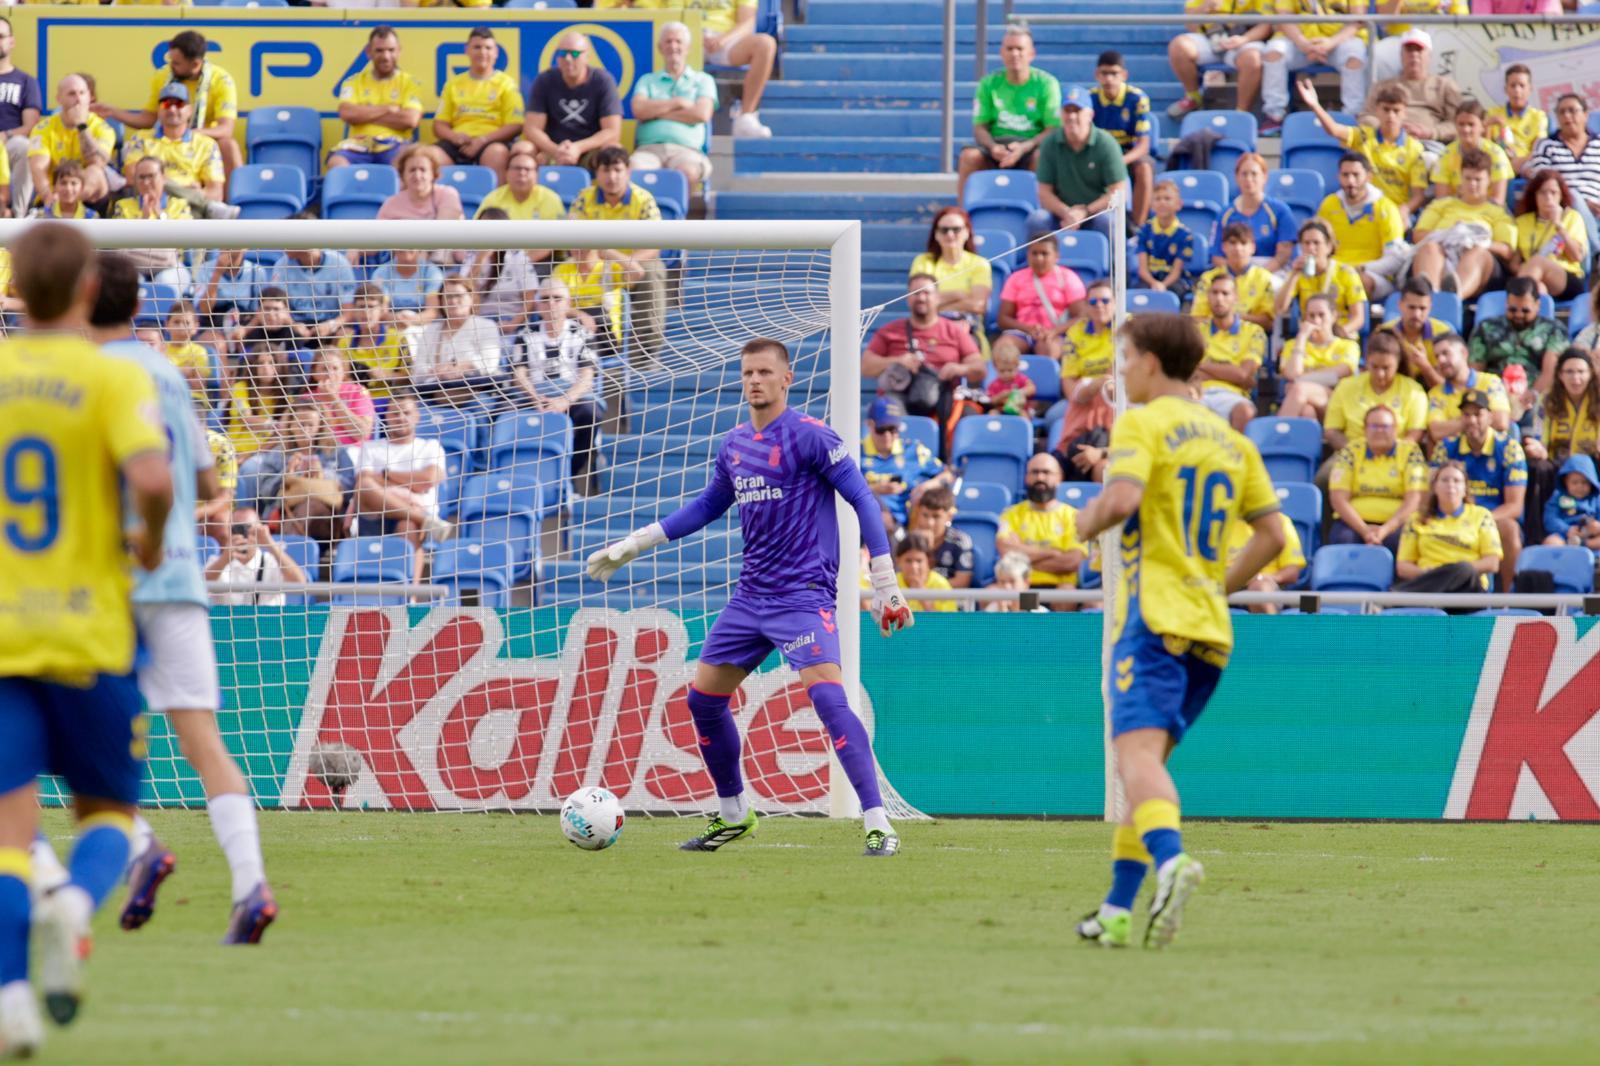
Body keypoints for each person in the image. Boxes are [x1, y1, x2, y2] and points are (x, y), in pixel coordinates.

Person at [585, 338, 913, 857]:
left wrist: (886, 583)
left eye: (764, 372)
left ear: (787, 379)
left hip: (802, 595)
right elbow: (706, 506)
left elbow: (863, 500)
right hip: (751, 597)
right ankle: (734, 814)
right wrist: (635, 543)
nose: (754, 380)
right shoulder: (734, 444)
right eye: (747, 373)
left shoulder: (811, 437)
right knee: (703, 699)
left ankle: (877, 822)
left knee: (828, 698)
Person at [0, 223, 174, 1052]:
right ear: (82, 293)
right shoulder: (107, 378)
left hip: (1, 639)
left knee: (6, 835)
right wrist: (148, 537)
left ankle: (9, 1002)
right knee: (108, 812)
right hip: (91, 637)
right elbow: (152, 475)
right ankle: (74, 905)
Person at [1072, 312, 1283, 949]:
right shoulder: (1232, 442)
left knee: (1134, 761)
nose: (1121, 369)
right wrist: (1218, 585)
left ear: (1153, 363)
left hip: (1152, 619)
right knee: (1147, 774)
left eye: (1125, 356)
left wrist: (1081, 524)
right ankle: (1115, 910)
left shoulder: (1142, 422)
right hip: (1211, 631)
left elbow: (1123, 500)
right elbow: (1274, 536)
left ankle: (1172, 864)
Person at [84, 250, 276, 946]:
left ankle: (139, 847)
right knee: (203, 743)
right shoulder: (168, 371)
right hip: (183, 581)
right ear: (137, 307)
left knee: (60, 731)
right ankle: (250, 883)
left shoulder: (87, 377)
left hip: (111, 579)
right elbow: (206, 477)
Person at [92, 29, 242, 175]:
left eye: (177, 63)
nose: (171, 65)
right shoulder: (163, 76)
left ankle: (233, 200)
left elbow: (225, 129)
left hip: (202, 139)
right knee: (140, 142)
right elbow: (149, 119)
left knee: (228, 145)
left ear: (195, 64)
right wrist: (113, 112)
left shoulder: (222, 80)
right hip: (165, 136)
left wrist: (189, 135)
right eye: (171, 60)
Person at [568, 146, 667, 363]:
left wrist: (626, 262)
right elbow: (573, 236)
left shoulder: (643, 199)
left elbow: (654, 245)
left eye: (617, 170)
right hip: (593, 261)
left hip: (632, 263)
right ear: (597, 173)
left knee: (652, 273)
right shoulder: (584, 198)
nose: (612, 177)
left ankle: (646, 355)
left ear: (628, 172)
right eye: (605, 170)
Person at [508, 278, 603, 485]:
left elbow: (587, 376)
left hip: (571, 396)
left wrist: (565, 400)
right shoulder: (525, 334)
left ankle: (569, 475)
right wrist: (535, 398)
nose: (550, 303)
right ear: (538, 304)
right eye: (545, 299)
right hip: (533, 397)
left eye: (557, 298)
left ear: (568, 304)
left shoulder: (582, 333)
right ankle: (518, 477)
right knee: (502, 413)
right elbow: (519, 374)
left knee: (590, 413)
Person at [864, 273, 983, 435]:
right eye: (915, 293)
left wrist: (957, 368)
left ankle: (948, 459)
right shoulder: (890, 331)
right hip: (901, 397)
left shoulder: (954, 331)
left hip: (942, 397)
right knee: (888, 410)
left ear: (938, 297)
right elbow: (865, 367)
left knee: (969, 415)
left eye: (926, 292)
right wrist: (897, 361)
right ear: (908, 298)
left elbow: (979, 368)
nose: (921, 297)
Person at [1432, 388, 1527, 589]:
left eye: (1478, 414)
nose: (1472, 420)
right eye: (1466, 414)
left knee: (1510, 529)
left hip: (1493, 518)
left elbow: (1514, 506)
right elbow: (1431, 494)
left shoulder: (1509, 448)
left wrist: (1478, 522)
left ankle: (1508, 601)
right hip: (1451, 516)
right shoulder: (1446, 447)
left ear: (1491, 417)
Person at [1300, 81, 1427, 221]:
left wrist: (1405, 209)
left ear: (1405, 113)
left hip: (1395, 212)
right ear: (1377, 110)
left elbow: (1418, 195)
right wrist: (1315, 105)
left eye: (1396, 110)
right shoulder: (1363, 136)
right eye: (1386, 109)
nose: (1391, 116)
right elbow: (1334, 130)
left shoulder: (1415, 148)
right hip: (1362, 208)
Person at [957, 25, 1060, 198]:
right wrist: (993, 147)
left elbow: (1053, 129)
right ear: (1001, 53)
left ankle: (1042, 215)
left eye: (1020, 49)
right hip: (996, 145)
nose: (1014, 54)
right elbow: (979, 127)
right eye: (1009, 48)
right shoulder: (988, 83)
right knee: (969, 157)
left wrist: (1024, 147)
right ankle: (965, 217)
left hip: (1030, 145)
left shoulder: (1046, 84)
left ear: (1031, 54)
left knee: (1042, 158)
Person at [353, 397, 454, 561]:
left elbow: (428, 480)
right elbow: (363, 482)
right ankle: (426, 521)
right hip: (375, 513)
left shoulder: (431, 446)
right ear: (386, 417)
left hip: (417, 508)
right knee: (365, 485)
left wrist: (386, 475)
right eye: (394, 413)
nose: (400, 417)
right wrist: (410, 486)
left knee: (407, 525)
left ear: (417, 416)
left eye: (406, 412)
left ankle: (410, 586)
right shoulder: (370, 448)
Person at [119, 82, 236, 221]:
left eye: (179, 104)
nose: (172, 109)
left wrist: (162, 184)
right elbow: (134, 178)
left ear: (190, 110)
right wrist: (188, 190)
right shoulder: (140, 139)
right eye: (167, 104)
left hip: (190, 210)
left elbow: (216, 193)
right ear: (158, 109)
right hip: (148, 205)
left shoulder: (206, 144)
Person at [1409, 150, 1516, 302]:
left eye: (1478, 180)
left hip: (1480, 264)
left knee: (1478, 253)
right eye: (1468, 178)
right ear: (1461, 179)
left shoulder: (1499, 212)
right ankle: (1431, 296)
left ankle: (1452, 298)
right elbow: (1418, 235)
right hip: (1443, 253)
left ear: (1489, 181)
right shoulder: (1440, 205)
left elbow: (1507, 250)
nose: (1472, 184)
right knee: (1430, 248)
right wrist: (1451, 235)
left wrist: (1475, 242)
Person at [1522, 349, 1600, 543]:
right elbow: (1537, 434)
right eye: (1570, 372)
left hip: (1592, 463)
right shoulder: (1548, 400)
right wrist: (1537, 447)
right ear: (1560, 375)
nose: (1576, 378)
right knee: (1537, 468)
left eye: (1581, 372)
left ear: (1591, 374)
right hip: (1557, 463)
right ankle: (1538, 535)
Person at [1260, 0, 1370, 136]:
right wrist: (1303, 44)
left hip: (1340, 41)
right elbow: (1284, 17)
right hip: (1300, 42)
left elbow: (1358, 20)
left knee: (1355, 56)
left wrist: (1330, 43)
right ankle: (1274, 116)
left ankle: (1352, 117)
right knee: (1274, 51)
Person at [1328, 404, 1428, 552]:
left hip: (1396, 523)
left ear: (1395, 429)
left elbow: (1415, 499)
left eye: (1385, 426)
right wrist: (1365, 531)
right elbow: (1338, 498)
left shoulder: (1410, 451)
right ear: (1365, 429)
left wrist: (1385, 530)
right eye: (1374, 426)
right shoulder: (1351, 451)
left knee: (1401, 542)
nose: (1380, 431)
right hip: (1355, 523)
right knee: (1344, 539)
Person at [1035, 85, 1129, 236]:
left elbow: (1118, 191)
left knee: (1107, 221)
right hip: (1061, 213)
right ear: (1060, 114)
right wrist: (1067, 213)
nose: (1072, 116)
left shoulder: (1106, 143)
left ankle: (1110, 260)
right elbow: (1044, 192)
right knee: (1037, 220)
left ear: (1090, 114)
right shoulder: (1050, 143)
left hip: (1097, 212)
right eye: (1067, 111)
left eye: (1077, 110)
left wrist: (1086, 212)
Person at [630, 22, 716, 186]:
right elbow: (639, 110)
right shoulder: (647, 80)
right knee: (632, 170)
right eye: (668, 41)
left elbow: (701, 114)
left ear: (688, 47)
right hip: (649, 150)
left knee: (687, 173)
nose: (673, 46)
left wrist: (655, 113)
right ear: (660, 47)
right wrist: (679, 102)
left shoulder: (704, 80)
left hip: (687, 150)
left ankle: (679, 212)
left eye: (678, 41)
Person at [1394, 461, 1502, 592]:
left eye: (1456, 481)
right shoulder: (1416, 519)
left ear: (1465, 489)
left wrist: (1454, 572)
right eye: (1445, 480)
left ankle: (1396, 597)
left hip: (1467, 588)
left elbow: (1492, 563)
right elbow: (1403, 567)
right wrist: (1432, 574)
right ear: (1434, 487)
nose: (1451, 485)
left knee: (1463, 568)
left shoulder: (1482, 515)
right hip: (1428, 584)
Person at [522, 30, 622, 168]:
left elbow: (612, 131)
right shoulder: (545, 80)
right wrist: (555, 150)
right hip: (553, 149)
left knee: (612, 150)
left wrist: (578, 148)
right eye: (563, 53)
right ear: (557, 58)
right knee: (523, 149)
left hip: (590, 150)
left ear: (586, 56)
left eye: (574, 54)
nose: (568, 59)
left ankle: (606, 190)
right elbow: (532, 128)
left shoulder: (603, 80)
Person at [1316, 151, 1409, 299]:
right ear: (1338, 177)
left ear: (1369, 177)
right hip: (1334, 270)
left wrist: (1359, 268)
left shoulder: (1386, 208)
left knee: (1357, 282)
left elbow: (1395, 259)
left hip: (1372, 273)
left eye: (1356, 175)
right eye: (1345, 175)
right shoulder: (1329, 205)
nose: (1350, 181)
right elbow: (1318, 245)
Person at [432, 26, 522, 181]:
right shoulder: (453, 84)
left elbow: (515, 125)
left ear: (496, 53)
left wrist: (482, 140)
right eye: (477, 47)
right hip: (458, 143)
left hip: (491, 141)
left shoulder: (506, 84)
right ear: (467, 50)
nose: (483, 52)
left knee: (497, 154)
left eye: (488, 48)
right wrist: (455, 137)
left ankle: (495, 203)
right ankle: (443, 201)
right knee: (430, 156)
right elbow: (439, 124)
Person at [329, 25, 423, 169]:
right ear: (368, 52)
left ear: (399, 51)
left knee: (403, 165)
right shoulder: (353, 81)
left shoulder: (410, 83)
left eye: (391, 50)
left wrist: (365, 112)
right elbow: (346, 113)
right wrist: (389, 109)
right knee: (336, 163)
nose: (386, 56)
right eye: (379, 50)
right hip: (359, 144)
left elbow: (410, 120)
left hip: (395, 144)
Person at [997, 454, 1086, 602]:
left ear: (1059, 478)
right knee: (995, 593)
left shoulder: (1073, 517)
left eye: (1046, 472)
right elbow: (1005, 552)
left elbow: (1071, 562)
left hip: (1058, 587)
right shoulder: (1011, 514)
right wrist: (1052, 553)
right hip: (1022, 587)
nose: (1040, 478)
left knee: (1066, 594)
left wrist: (1022, 553)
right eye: (1035, 472)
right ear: (1026, 477)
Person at [1358, 29, 1462, 153]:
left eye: (1419, 50)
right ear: (1401, 55)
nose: (1414, 55)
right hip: (1387, 144)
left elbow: (1458, 123)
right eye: (1409, 50)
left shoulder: (1445, 86)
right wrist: (1392, 128)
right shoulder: (1383, 86)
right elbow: (1365, 117)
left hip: (1428, 145)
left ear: (1429, 56)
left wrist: (1431, 131)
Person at [1324, 329, 1429, 450]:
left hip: (1399, 458)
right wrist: (1355, 453)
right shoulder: (1346, 386)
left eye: (1386, 368)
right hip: (1352, 457)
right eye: (1374, 366)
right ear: (1367, 361)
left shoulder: (1414, 391)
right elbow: (1332, 430)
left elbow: (1415, 433)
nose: (1380, 374)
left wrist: (1393, 455)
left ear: (1398, 363)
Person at [1166, 0, 1269, 120]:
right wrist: (1206, 7)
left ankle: (1241, 114)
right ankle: (1193, 97)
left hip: (1245, 39)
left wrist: (1244, 39)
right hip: (1211, 38)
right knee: (1179, 46)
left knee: (1252, 59)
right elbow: (1190, 25)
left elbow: (1267, 24)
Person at [992, 238, 1087, 363]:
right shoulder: (1016, 278)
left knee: (1048, 351)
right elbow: (1003, 319)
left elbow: (1081, 317)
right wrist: (1028, 329)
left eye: (1044, 253)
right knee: (1002, 349)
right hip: (1022, 332)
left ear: (1056, 256)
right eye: (1034, 253)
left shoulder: (1068, 278)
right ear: (1028, 255)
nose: (1039, 258)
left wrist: (1054, 331)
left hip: (1056, 333)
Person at [1468, 276, 1565, 397]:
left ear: (1537, 305)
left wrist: (1532, 395)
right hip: (1493, 395)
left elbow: (1550, 373)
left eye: (1525, 310)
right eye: (1512, 310)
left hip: (1536, 395)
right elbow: (1476, 369)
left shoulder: (1554, 330)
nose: (1518, 315)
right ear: (1506, 304)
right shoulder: (1486, 327)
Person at [26, 74, 113, 209]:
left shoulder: (102, 127)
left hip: (89, 200)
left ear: (89, 97)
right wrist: (48, 196)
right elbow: (38, 167)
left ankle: (72, 204)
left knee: (95, 171)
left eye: (82, 93)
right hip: (53, 197)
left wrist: (81, 126)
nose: (78, 99)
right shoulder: (43, 128)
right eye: (72, 94)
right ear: (59, 98)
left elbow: (98, 162)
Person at [1527, 94, 1600, 254]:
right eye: (1562, 112)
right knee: (1573, 196)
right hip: (1565, 210)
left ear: (1586, 114)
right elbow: (1541, 181)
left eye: (1572, 111)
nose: (1567, 116)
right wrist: (1583, 204)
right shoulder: (1546, 146)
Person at [860, 397, 949, 526]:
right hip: (867, 520)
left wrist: (928, 485)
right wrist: (875, 489)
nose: (887, 436)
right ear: (869, 425)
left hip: (908, 522)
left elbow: (948, 474)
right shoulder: (855, 452)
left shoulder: (914, 450)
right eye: (881, 429)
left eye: (892, 430)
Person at [696, 0, 779, 138]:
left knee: (765, 44)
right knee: (668, 41)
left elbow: (747, 22)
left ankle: (746, 116)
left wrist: (722, 39)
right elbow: (668, 14)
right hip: (686, 37)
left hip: (726, 40)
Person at [1089, 52, 1154, 226]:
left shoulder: (1137, 98)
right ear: (1097, 75)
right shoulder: (1090, 99)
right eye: (1104, 73)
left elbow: (1143, 144)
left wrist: (1119, 160)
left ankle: (1138, 227)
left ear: (1124, 75)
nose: (1109, 79)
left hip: (1127, 152)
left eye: (1114, 73)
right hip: (1099, 153)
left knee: (1145, 168)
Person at [1275, 218, 1367, 340]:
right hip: (1310, 336)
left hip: (1339, 337)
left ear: (1329, 246)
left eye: (1316, 243)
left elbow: (1358, 318)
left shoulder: (1346, 273)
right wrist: (1294, 275)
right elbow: (1279, 309)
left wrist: (1337, 334)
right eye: (1306, 243)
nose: (1311, 248)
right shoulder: (1297, 274)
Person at [411, 277, 502, 400]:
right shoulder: (430, 330)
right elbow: (417, 370)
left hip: (476, 393)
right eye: (448, 297)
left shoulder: (486, 326)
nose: (453, 301)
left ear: (471, 298)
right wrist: (436, 371)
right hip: (434, 393)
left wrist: (460, 368)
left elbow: (490, 363)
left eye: (459, 296)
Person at [1194, 273, 1266, 431]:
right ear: (1208, 297)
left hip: (1232, 395)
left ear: (1235, 297)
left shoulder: (1254, 332)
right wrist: (1230, 371)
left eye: (1225, 293)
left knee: (1245, 411)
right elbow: (1189, 373)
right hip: (1198, 392)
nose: (1219, 298)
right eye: (1214, 293)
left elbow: (1243, 375)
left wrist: (1202, 365)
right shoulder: (1197, 331)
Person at [1058, 279, 1119, 457]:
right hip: (1084, 396)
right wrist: (1079, 399)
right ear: (1086, 305)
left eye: (1105, 301)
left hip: (1117, 393)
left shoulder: (1127, 326)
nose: (1099, 306)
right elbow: (1068, 379)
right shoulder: (1076, 332)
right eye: (1093, 302)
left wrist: (1103, 387)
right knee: (1054, 417)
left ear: (1116, 302)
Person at [1278, 293, 1360, 421]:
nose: (1316, 321)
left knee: (1299, 389)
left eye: (1321, 315)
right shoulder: (1292, 345)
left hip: (1336, 399)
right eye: (1311, 316)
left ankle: (1276, 436)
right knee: (1306, 412)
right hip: (1304, 401)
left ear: (1333, 316)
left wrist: (1300, 380)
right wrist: (1301, 338)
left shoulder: (1348, 345)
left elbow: (1341, 373)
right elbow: (1291, 374)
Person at [908, 207, 991, 333]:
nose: (950, 234)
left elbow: (978, 305)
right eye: (944, 230)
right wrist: (959, 295)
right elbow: (918, 300)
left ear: (967, 232)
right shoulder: (923, 261)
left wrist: (937, 304)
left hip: (967, 329)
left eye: (956, 229)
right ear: (936, 234)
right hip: (928, 326)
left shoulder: (980, 264)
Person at [1510, 169, 1588, 303]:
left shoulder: (1572, 217)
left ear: (1561, 195)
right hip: (1533, 278)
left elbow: (1577, 256)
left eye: (1553, 192)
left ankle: (1515, 302)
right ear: (1534, 195)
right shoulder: (1522, 222)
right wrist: (1524, 269)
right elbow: (1514, 263)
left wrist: (1558, 225)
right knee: (1538, 289)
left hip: (1566, 277)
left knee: (1538, 261)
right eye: (1542, 192)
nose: (1548, 198)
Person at [1212, 153, 1297, 275]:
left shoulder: (1280, 210)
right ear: (1236, 177)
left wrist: (1256, 277)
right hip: (1233, 272)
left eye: (1254, 174)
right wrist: (1237, 276)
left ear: (1264, 177)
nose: (1249, 179)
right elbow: (1216, 256)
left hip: (1271, 271)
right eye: (1244, 174)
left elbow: (1283, 254)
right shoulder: (1225, 214)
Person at [460, 208, 541, 334]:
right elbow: (463, 290)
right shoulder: (473, 256)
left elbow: (530, 300)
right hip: (479, 322)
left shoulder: (517, 256)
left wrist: (513, 324)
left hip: (511, 320)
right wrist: (480, 260)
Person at [203, 511, 309, 607]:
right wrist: (224, 559)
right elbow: (201, 588)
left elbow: (299, 583)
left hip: (267, 626)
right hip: (228, 626)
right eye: (236, 529)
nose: (243, 534)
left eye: (248, 528)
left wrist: (269, 543)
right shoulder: (217, 562)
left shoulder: (272, 561)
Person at [1191, 222, 1276, 332]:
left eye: (1243, 243)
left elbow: (1268, 322)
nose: (1238, 248)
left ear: (1253, 247)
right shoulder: (1208, 278)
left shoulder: (1265, 278)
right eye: (1232, 242)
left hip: (1250, 339)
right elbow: (1197, 317)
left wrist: (1231, 318)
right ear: (1223, 247)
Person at [1427, 334, 1510, 443]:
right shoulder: (1436, 393)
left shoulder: (1490, 381)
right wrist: (1478, 419)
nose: (1441, 360)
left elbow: (1501, 421)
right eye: (1437, 356)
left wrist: (1455, 424)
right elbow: (1436, 432)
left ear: (1464, 353)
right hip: (1454, 456)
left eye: (1445, 353)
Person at [268, 243, 358, 344]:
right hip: (297, 324)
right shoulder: (282, 265)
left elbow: (349, 312)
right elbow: (276, 304)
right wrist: (293, 324)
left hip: (331, 323)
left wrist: (331, 325)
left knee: (345, 334)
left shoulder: (338, 262)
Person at [1430, 100, 1515, 205]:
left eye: (1471, 124)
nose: (1465, 129)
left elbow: (1498, 200)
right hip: (1454, 211)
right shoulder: (1446, 154)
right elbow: (1441, 200)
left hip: (1489, 211)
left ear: (1482, 126)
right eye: (1461, 124)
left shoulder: (1496, 153)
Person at [0, 18, 42, 216]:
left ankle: (18, 217)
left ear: (11, 41)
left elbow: (31, 125)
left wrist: (5, 135)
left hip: (9, 144)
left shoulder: (25, 81)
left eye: (1, 36)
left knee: (24, 147)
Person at [341, 283, 408, 405]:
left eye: (371, 307)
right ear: (354, 310)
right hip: (353, 404)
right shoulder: (344, 341)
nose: (365, 312)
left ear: (382, 309)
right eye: (361, 307)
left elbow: (409, 377)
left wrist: (387, 375)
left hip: (388, 404)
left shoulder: (398, 338)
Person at [1229, 511, 1306, 614]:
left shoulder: (1280, 521)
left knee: (1258, 589)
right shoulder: (1218, 524)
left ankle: (1272, 629)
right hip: (1224, 584)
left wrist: (1267, 578)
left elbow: (1292, 572)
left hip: (1266, 585)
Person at [1383, 276, 1453, 388]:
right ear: (1400, 305)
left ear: (1430, 307)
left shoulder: (1443, 333)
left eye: (1422, 308)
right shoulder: (1385, 333)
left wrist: (1424, 366)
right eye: (1411, 307)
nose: (1416, 314)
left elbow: (1449, 388)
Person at [1372, 1, 1466, 82]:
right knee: (1378, 54)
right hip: (1401, 38)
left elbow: (1462, 21)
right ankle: (1390, 97)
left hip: (1440, 36)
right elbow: (1384, 20)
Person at [194, 247, 264, 351]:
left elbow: (261, 310)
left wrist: (245, 329)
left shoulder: (256, 271)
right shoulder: (205, 269)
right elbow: (204, 310)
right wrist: (217, 273)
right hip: (213, 324)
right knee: (218, 344)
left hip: (244, 324)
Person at [1136, 180, 1197, 297]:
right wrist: (1154, 283)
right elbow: (1142, 269)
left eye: (1167, 198)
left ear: (1179, 204)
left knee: (1176, 292)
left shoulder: (1185, 235)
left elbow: (1176, 272)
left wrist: (1163, 285)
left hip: (1172, 280)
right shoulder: (1145, 230)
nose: (1162, 202)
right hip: (1150, 279)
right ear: (1152, 205)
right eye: (1158, 199)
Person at [907, 485, 974, 588]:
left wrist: (929, 591)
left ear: (949, 517)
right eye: (925, 515)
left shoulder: (960, 541)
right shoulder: (910, 541)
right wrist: (924, 548)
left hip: (948, 600)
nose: (930, 523)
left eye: (936, 516)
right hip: (915, 601)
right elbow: (904, 577)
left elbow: (962, 581)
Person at [307, 349, 375, 448]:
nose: (330, 374)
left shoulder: (357, 392)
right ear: (314, 373)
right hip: (318, 452)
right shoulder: (306, 398)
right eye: (324, 369)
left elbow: (362, 433)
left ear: (344, 371)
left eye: (335, 368)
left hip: (353, 451)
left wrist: (334, 401)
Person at [377, 144, 465, 222]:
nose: (417, 175)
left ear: (433, 173)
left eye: (423, 170)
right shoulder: (391, 204)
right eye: (412, 170)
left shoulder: (447, 194)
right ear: (403, 174)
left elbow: (446, 230)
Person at [1486, 64, 1545, 176]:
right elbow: (1485, 145)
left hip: (1526, 163)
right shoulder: (1493, 114)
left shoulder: (1538, 117)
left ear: (1530, 89)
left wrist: (1518, 162)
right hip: (1497, 162)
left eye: (1522, 86)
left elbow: (1538, 150)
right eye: (1513, 86)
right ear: (1506, 89)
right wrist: (1487, 125)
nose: (1517, 90)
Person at [370, 247, 443, 327]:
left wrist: (412, 320)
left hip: (423, 327)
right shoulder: (381, 273)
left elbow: (433, 311)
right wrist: (397, 319)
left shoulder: (431, 272)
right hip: (391, 326)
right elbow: (381, 311)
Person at [1542, 455, 1600, 549]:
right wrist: (1566, 530)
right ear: (1566, 482)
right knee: (1551, 542)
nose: (1579, 487)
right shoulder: (1558, 496)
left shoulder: (1596, 498)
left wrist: (1597, 527)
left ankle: (1589, 551)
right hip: (1565, 536)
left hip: (1590, 537)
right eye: (1575, 482)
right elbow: (1550, 518)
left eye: (1584, 482)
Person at [163, 300, 212, 409]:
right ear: (167, 325)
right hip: (164, 399)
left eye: (186, 323)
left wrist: (168, 371)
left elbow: (198, 385)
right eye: (176, 322)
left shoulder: (199, 351)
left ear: (196, 327)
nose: (181, 326)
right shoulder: (160, 349)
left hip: (193, 400)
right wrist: (185, 371)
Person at [894, 533, 957, 612]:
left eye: (919, 561)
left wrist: (922, 596)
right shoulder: (891, 584)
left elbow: (947, 623)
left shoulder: (941, 585)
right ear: (898, 561)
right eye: (908, 560)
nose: (914, 566)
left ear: (928, 561)